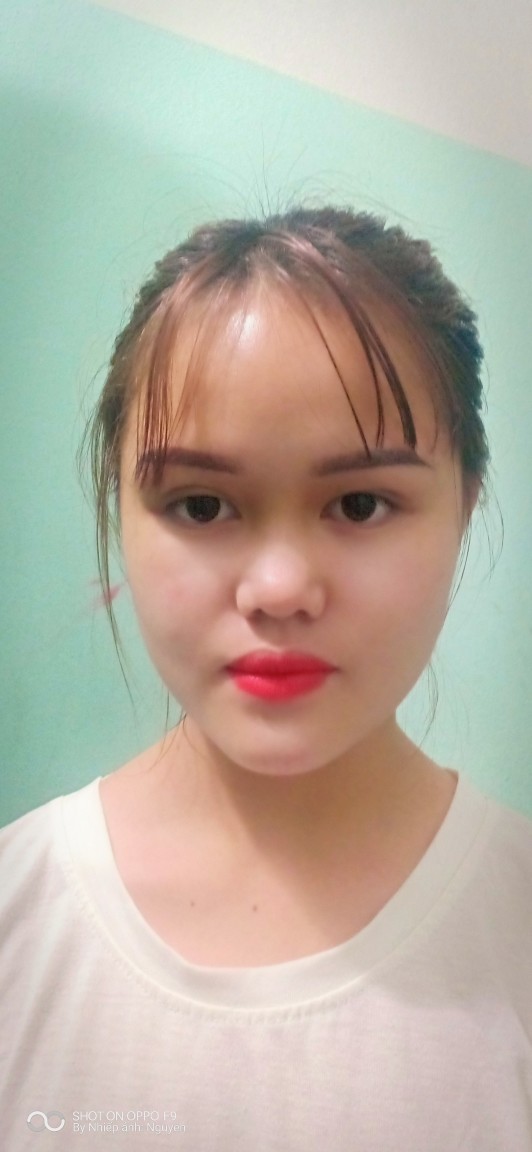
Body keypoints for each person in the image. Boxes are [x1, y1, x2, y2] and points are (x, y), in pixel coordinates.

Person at [1, 205, 531, 1151]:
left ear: (466, 505)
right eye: (202, 506)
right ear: (120, 510)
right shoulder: (19, 919)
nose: (279, 589)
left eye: (359, 504)